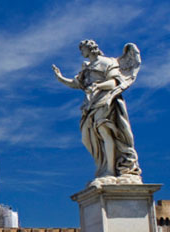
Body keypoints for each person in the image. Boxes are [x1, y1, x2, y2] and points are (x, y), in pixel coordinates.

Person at [52, 40, 142, 185]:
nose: (82, 53)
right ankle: (104, 167)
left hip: (106, 100)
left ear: (90, 49)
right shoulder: (87, 68)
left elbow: (114, 83)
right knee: (89, 138)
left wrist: (98, 86)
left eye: (83, 49)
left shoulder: (107, 62)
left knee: (106, 133)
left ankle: (110, 170)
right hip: (91, 105)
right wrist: (60, 78)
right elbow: (78, 84)